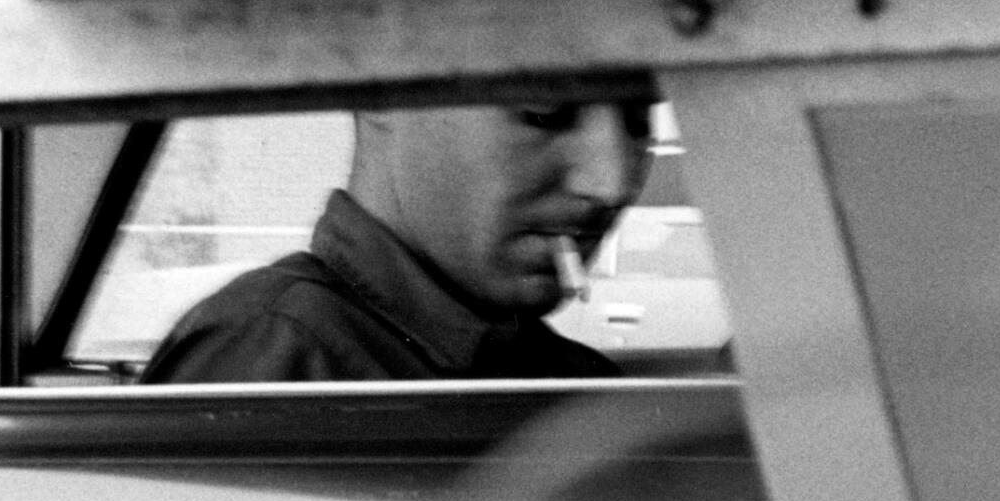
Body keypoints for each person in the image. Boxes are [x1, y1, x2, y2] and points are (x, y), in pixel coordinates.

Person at [140, 99, 653, 383]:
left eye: (638, 122)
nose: (613, 184)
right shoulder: (279, 355)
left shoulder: (575, 377)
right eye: (543, 110)